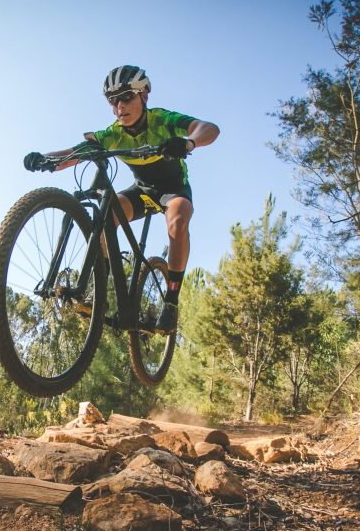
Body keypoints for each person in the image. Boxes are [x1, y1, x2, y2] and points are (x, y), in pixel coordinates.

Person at [23, 65, 219, 333]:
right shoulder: (113, 133)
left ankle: (171, 302)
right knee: (106, 218)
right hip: (142, 190)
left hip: (173, 190)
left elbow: (208, 128)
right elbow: (76, 153)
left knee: (177, 219)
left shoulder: (162, 120)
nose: (119, 107)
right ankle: (98, 292)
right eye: (112, 101)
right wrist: (46, 159)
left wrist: (188, 142)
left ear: (144, 96)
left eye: (126, 97)